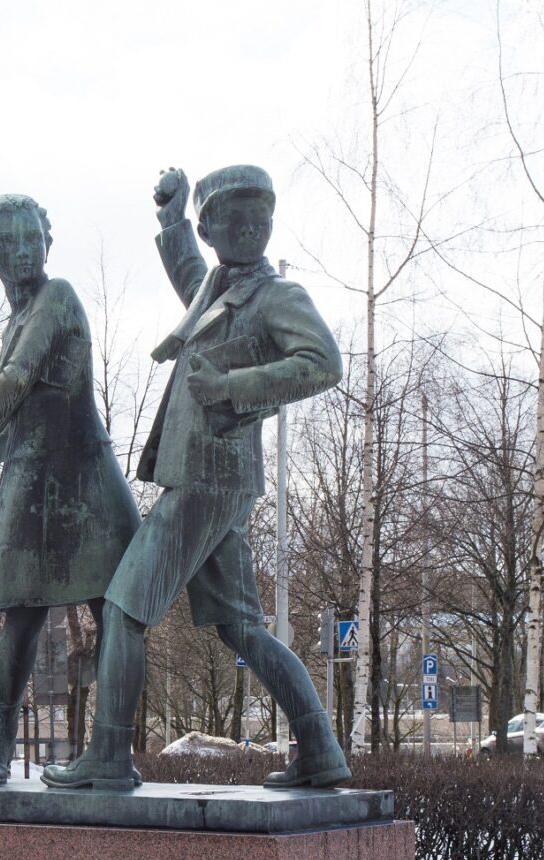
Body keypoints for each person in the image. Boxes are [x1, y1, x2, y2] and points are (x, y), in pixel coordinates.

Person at [43, 164, 350, 792]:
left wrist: (233, 386)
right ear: (211, 229)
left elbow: (322, 362)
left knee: (126, 609)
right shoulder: (220, 287)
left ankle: (106, 757)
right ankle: (319, 749)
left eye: (260, 217)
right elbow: (192, 280)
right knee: (243, 628)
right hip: (212, 479)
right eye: (234, 218)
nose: (250, 228)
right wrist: (171, 220)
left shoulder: (277, 296)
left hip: (211, 478)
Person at [0, 195, 140, 784]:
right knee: (21, 619)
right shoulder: (17, 316)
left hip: (84, 479)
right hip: (33, 477)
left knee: (114, 614)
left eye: (34, 237)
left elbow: (18, 378)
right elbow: (23, 400)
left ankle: (110, 751)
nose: (28, 250)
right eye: (13, 242)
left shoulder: (56, 295)